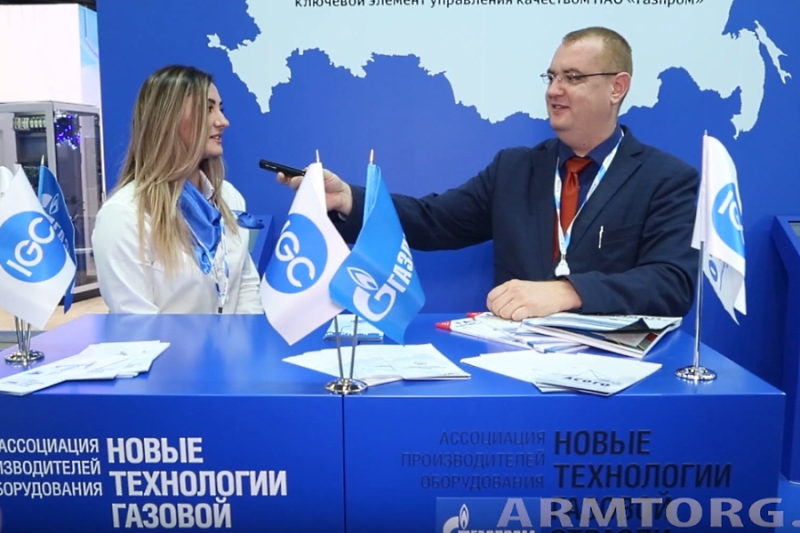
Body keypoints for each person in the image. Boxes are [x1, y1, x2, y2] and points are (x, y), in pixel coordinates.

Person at [278, 27, 699, 321]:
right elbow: (434, 221)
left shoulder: (666, 179)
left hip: (615, 375)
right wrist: (348, 200)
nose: (554, 90)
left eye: (573, 78)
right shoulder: (514, 169)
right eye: (551, 77)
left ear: (617, 87)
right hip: (513, 367)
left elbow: (672, 283)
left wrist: (568, 291)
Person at [92, 65, 263, 314]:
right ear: (168, 120)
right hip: (165, 342)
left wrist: (244, 337)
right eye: (208, 109)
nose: (223, 121)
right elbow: (136, 322)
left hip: (235, 341)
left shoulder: (229, 197)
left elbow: (245, 286)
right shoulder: (124, 216)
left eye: (220, 109)